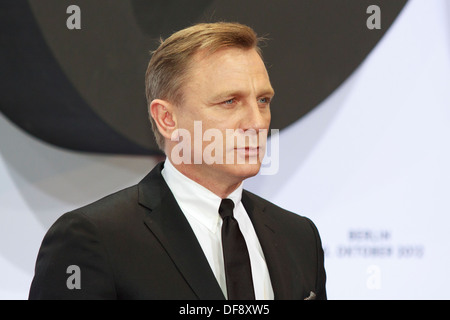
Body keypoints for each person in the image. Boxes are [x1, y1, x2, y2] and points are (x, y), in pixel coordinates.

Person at [29, 22, 326, 300]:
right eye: (230, 101)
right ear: (167, 119)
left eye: (263, 100)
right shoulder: (93, 240)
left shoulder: (299, 238)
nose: (257, 122)